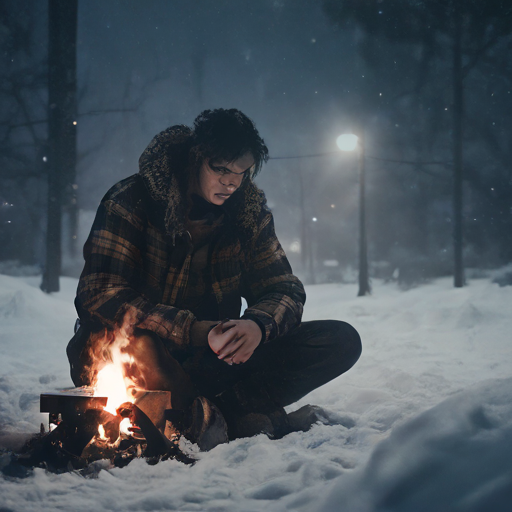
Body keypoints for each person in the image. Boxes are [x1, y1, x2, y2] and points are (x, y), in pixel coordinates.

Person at [67, 108, 361, 449]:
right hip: (135, 357)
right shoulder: (131, 201)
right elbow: (98, 294)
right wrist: (190, 330)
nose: (231, 182)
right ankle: (215, 417)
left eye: (241, 172)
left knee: (339, 339)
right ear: (195, 160)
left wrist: (256, 326)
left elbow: (284, 289)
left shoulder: (249, 217)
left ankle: (218, 413)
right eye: (220, 169)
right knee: (140, 344)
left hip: (213, 363)